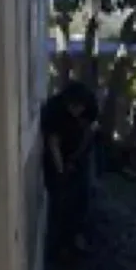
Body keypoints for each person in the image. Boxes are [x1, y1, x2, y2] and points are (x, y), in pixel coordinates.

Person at [40, 81, 99, 252]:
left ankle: (77, 233)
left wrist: (75, 159)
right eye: (73, 106)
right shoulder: (53, 109)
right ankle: (57, 240)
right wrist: (61, 169)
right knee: (59, 196)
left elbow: (88, 134)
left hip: (79, 151)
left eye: (80, 107)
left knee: (82, 193)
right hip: (58, 154)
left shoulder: (90, 106)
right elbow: (53, 143)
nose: (77, 111)